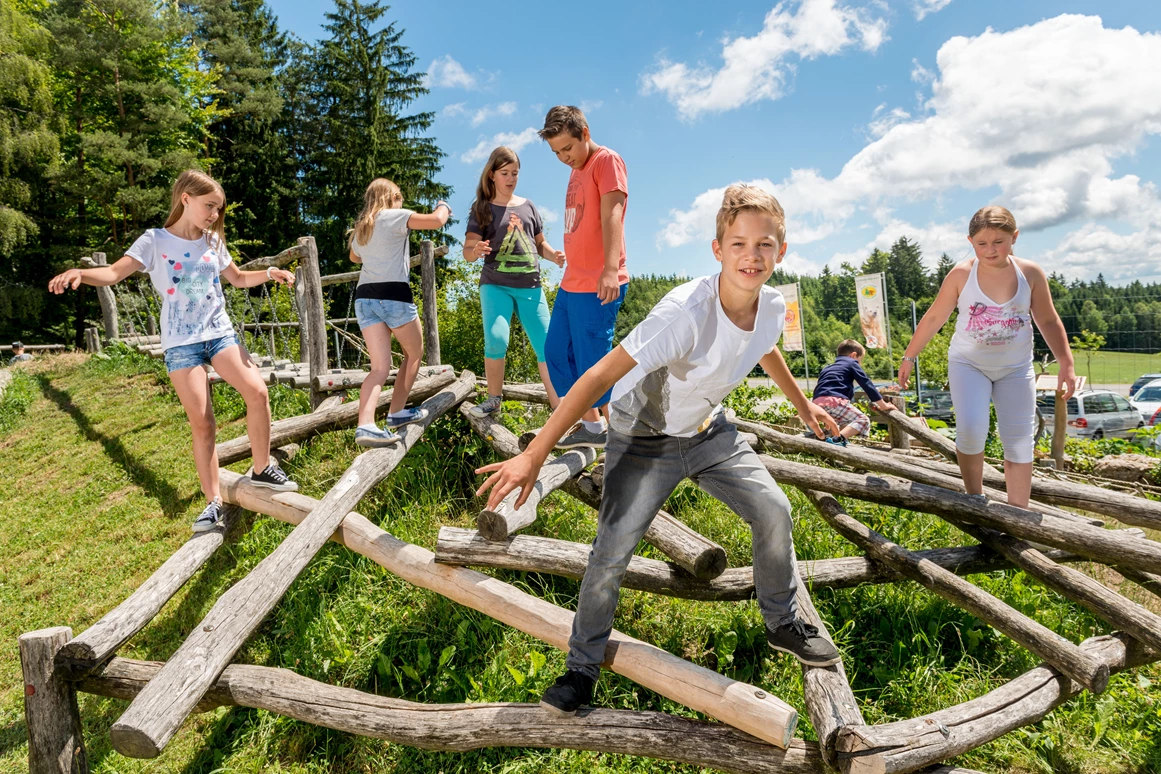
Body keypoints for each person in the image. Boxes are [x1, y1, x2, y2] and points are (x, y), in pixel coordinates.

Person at [474, 185, 843, 717]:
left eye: (764, 244)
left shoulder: (771, 305)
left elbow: (766, 348)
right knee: (611, 553)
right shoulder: (684, 312)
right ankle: (581, 669)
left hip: (708, 432)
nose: (752, 255)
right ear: (718, 250)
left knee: (774, 508)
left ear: (780, 251)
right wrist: (534, 455)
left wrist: (804, 406)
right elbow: (597, 375)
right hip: (644, 436)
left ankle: (781, 622)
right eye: (739, 244)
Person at [47, 169, 298, 532]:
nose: (214, 214)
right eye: (209, 205)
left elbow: (238, 278)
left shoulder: (213, 242)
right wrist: (81, 273)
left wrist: (270, 272)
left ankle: (261, 469)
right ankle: (213, 502)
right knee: (203, 423)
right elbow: (115, 273)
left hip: (218, 334)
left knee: (257, 392)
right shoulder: (154, 240)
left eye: (219, 208)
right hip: (181, 343)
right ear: (186, 199)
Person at [898, 205, 1076, 508]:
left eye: (998, 242)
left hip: (1016, 368)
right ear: (970, 242)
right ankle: (975, 500)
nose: (990, 250)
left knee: (1019, 441)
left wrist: (1066, 363)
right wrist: (909, 356)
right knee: (970, 429)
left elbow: (1048, 320)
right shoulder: (961, 274)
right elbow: (935, 317)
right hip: (969, 365)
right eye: (982, 243)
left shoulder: (1030, 273)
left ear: (1014, 237)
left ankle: (1018, 514)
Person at [538, 105, 629, 449]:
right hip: (571, 282)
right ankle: (592, 427)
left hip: (599, 282)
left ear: (585, 134)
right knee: (557, 352)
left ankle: (624, 437)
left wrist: (610, 270)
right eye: (556, 152)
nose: (564, 157)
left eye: (567, 148)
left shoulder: (606, 161)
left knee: (595, 364)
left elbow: (613, 214)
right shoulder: (575, 169)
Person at [349, 178, 450, 447]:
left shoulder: (363, 226)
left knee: (379, 368)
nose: (402, 200)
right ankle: (396, 413)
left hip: (365, 297)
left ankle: (365, 425)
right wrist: (443, 205)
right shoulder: (395, 216)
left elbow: (354, 257)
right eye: (400, 195)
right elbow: (437, 221)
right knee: (414, 353)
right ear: (392, 196)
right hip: (393, 294)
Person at [463, 147, 564, 417]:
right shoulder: (482, 208)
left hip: (531, 286)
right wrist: (475, 251)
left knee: (547, 345)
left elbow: (539, 243)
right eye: (505, 173)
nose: (510, 179)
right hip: (495, 284)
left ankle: (560, 408)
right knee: (496, 339)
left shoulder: (528, 206)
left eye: (515, 173)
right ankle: (493, 400)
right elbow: (468, 251)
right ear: (492, 175)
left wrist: (553, 255)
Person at [810, 339, 896, 445]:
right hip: (834, 401)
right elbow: (866, 384)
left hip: (817, 403)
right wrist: (883, 405)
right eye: (860, 360)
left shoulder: (827, 368)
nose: (860, 363)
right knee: (863, 420)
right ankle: (837, 440)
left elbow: (820, 386)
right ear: (853, 355)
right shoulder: (851, 363)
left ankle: (836, 439)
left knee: (844, 421)